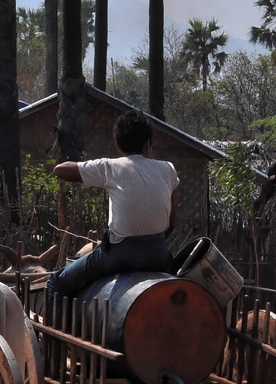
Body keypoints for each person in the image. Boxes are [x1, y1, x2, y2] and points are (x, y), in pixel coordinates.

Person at [47, 111, 179, 295]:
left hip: (120, 254)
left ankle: (56, 323)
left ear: (119, 146)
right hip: (158, 253)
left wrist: (90, 171)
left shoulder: (110, 167)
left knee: (55, 282)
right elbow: (171, 224)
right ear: (148, 144)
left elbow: (60, 170)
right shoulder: (168, 169)